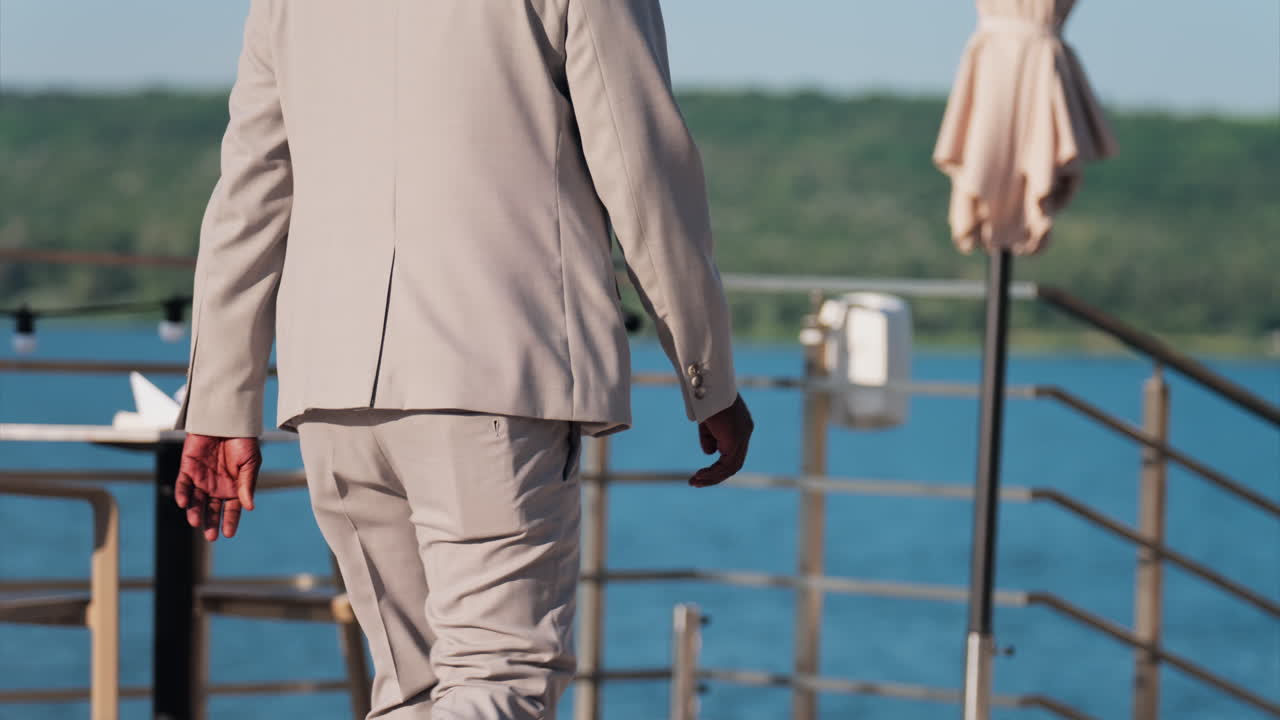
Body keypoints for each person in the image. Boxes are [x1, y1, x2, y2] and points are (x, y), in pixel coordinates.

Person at [171, 0, 754, 717]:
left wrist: (221, 404)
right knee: (498, 679)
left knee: (412, 692)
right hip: (496, 373)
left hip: (332, 390)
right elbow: (641, 172)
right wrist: (707, 375)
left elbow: (251, 191)